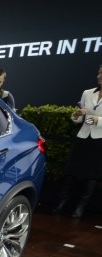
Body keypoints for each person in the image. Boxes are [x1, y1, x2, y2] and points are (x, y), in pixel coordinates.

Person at [53, 64, 102, 218]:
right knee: (71, 171)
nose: (99, 76)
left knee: (92, 175)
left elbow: (95, 120)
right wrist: (77, 114)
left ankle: (81, 206)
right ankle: (62, 202)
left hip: (99, 140)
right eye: (99, 72)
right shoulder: (87, 93)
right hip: (82, 136)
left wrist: (97, 120)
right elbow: (78, 119)